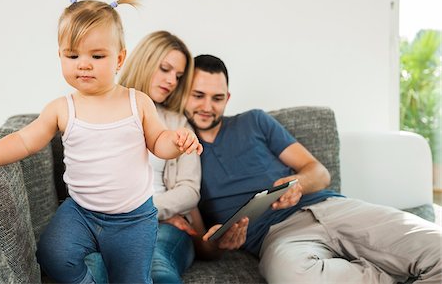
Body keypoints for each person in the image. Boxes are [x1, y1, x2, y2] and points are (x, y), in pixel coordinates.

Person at [0, 0, 202, 284]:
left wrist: (177, 141)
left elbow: (159, 142)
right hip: (80, 213)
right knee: (52, 254)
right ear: (60, 56)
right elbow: (25, 141)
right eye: (73, 56)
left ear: (119, 59)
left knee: (132, 279)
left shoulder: (137, 102)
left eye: (97, 56)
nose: (84, 65)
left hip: (134, 220)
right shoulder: (61, 108)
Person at [184, 54, 442, 283]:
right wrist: (219, 243)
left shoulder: (254, 121)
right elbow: (205, 247)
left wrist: (299, 184)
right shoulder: (179, 151)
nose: (207, 107)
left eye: (217, 98)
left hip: (330, 207)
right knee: (293, 275)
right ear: (183, 92)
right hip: (278, 237)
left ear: (227, 98)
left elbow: (319, 172)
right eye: (198, 96)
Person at [85, 30, 202, 284]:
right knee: (95, 266)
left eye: (178, 76)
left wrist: (148, 211)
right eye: (165, 69)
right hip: (107, 226)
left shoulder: (179, 123)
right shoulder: (100, 109)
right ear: (145, 61)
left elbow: (190, 191)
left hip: (164, 226)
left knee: (156, 266)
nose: (172, 80)